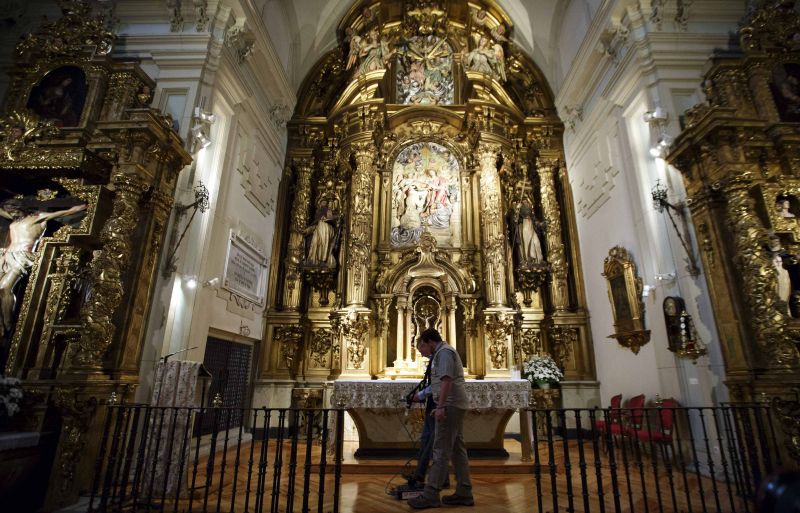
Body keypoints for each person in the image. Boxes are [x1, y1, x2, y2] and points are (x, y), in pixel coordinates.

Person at [407, 328, 473, 509]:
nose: (421, 352)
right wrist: (420, 396)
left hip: (450, 406)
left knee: (440, 450)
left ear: (429, 341)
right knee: (457, 450)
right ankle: (464, 491)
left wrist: (441, 406)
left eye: (421, 347)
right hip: (454, 405)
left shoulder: (443, 353)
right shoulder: (441, 353)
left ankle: (431, 494)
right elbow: (437, 384)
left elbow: (446, 381)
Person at [0, 198, 86, 333]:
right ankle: (2, 325)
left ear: (20, 208)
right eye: (9, 211)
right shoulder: (15, 218)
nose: (12, 213)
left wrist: (84, 205)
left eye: (13, 210)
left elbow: (65, 212)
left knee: (4, 288)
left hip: (22, 257)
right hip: (6, 257)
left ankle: (8, 324)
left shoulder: (38, 217)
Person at [513, 197, 544, 265]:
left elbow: (535, 220)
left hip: (531, 227)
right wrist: (517, 209)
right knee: (526, 243)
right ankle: (529, 259)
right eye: (523, 203)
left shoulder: (531, 213)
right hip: (525, 226)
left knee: (536, 242)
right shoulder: (520, 213)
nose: (525, 204)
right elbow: (515, 219)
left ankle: (538, 260)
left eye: (526, 202)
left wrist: (540, 224)